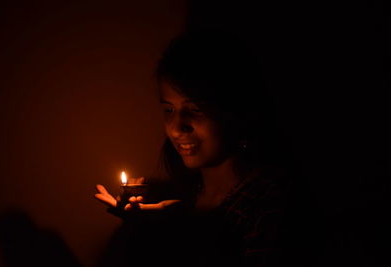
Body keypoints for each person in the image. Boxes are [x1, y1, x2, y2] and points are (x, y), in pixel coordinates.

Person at [94, 29, 323, 267]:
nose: (176, 128)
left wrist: (184, 235)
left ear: (234, 111)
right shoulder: (179, 197)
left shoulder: (268, 203)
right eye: (169, 110)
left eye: (195, 110)